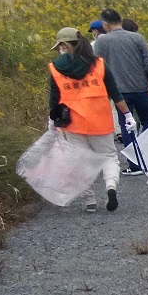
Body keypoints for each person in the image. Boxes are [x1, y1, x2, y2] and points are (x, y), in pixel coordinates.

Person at [46, 27, 133, 213]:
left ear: (63, 45)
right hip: (100, 121)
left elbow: (54, 100)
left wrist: (51, 121)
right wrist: (127, 116)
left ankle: (90, 201)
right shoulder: (99, 64)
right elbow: (115, 93)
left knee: (80, 162)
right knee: (109, 157)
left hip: (72, 123)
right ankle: (110, 187)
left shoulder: (55, 68)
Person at [92, 8, 148, 174]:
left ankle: (134, 164)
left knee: (127, 125)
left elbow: (97, 67)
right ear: (120, 21)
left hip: (119, 92)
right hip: (141, 87)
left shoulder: (102, 42)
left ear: (105, 24)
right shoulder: (137, 38)